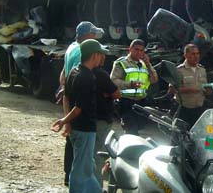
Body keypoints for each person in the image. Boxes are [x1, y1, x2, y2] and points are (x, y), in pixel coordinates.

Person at [51, 39, 108, 193]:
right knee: (79, 170)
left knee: (87, 168)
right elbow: (78, 108)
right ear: (94, 55)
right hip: (85, 129)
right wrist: (64, 121)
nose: (102, 58)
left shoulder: (73, 71)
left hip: (77, 128)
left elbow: (66, 97)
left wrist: (68, 122)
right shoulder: (87, 77)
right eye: (100, 54)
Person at [110, 39, 158, 135]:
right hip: (126, 101)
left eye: (141, 50)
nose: (139, 52)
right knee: (131, 130)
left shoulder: (144, 64)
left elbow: (154, 80)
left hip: (141, 102)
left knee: (140, 128)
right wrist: (130, 84)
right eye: (136, 49)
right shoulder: (122, 63)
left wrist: (148, 65)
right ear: (130, 49)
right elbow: (113, 81)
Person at [92, 53, 121, 186]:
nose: (103, 58)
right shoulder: (101, 74)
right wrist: (108, 93)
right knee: (99, 155)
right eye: (100, 55)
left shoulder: (80, 72)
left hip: (91, 119)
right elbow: (116, 93)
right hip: (101, 119)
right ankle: (97, 186)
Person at [169, 44, 211, 128]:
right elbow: (171, 90)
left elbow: (205, 87)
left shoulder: (202, 70)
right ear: (186, 55)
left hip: (199, 109)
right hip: (184, 110)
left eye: (197, 54)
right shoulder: (179, 70)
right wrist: (188, 89)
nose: (196, 56)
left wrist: (208, 91)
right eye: (193, 54)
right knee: (181, 136)